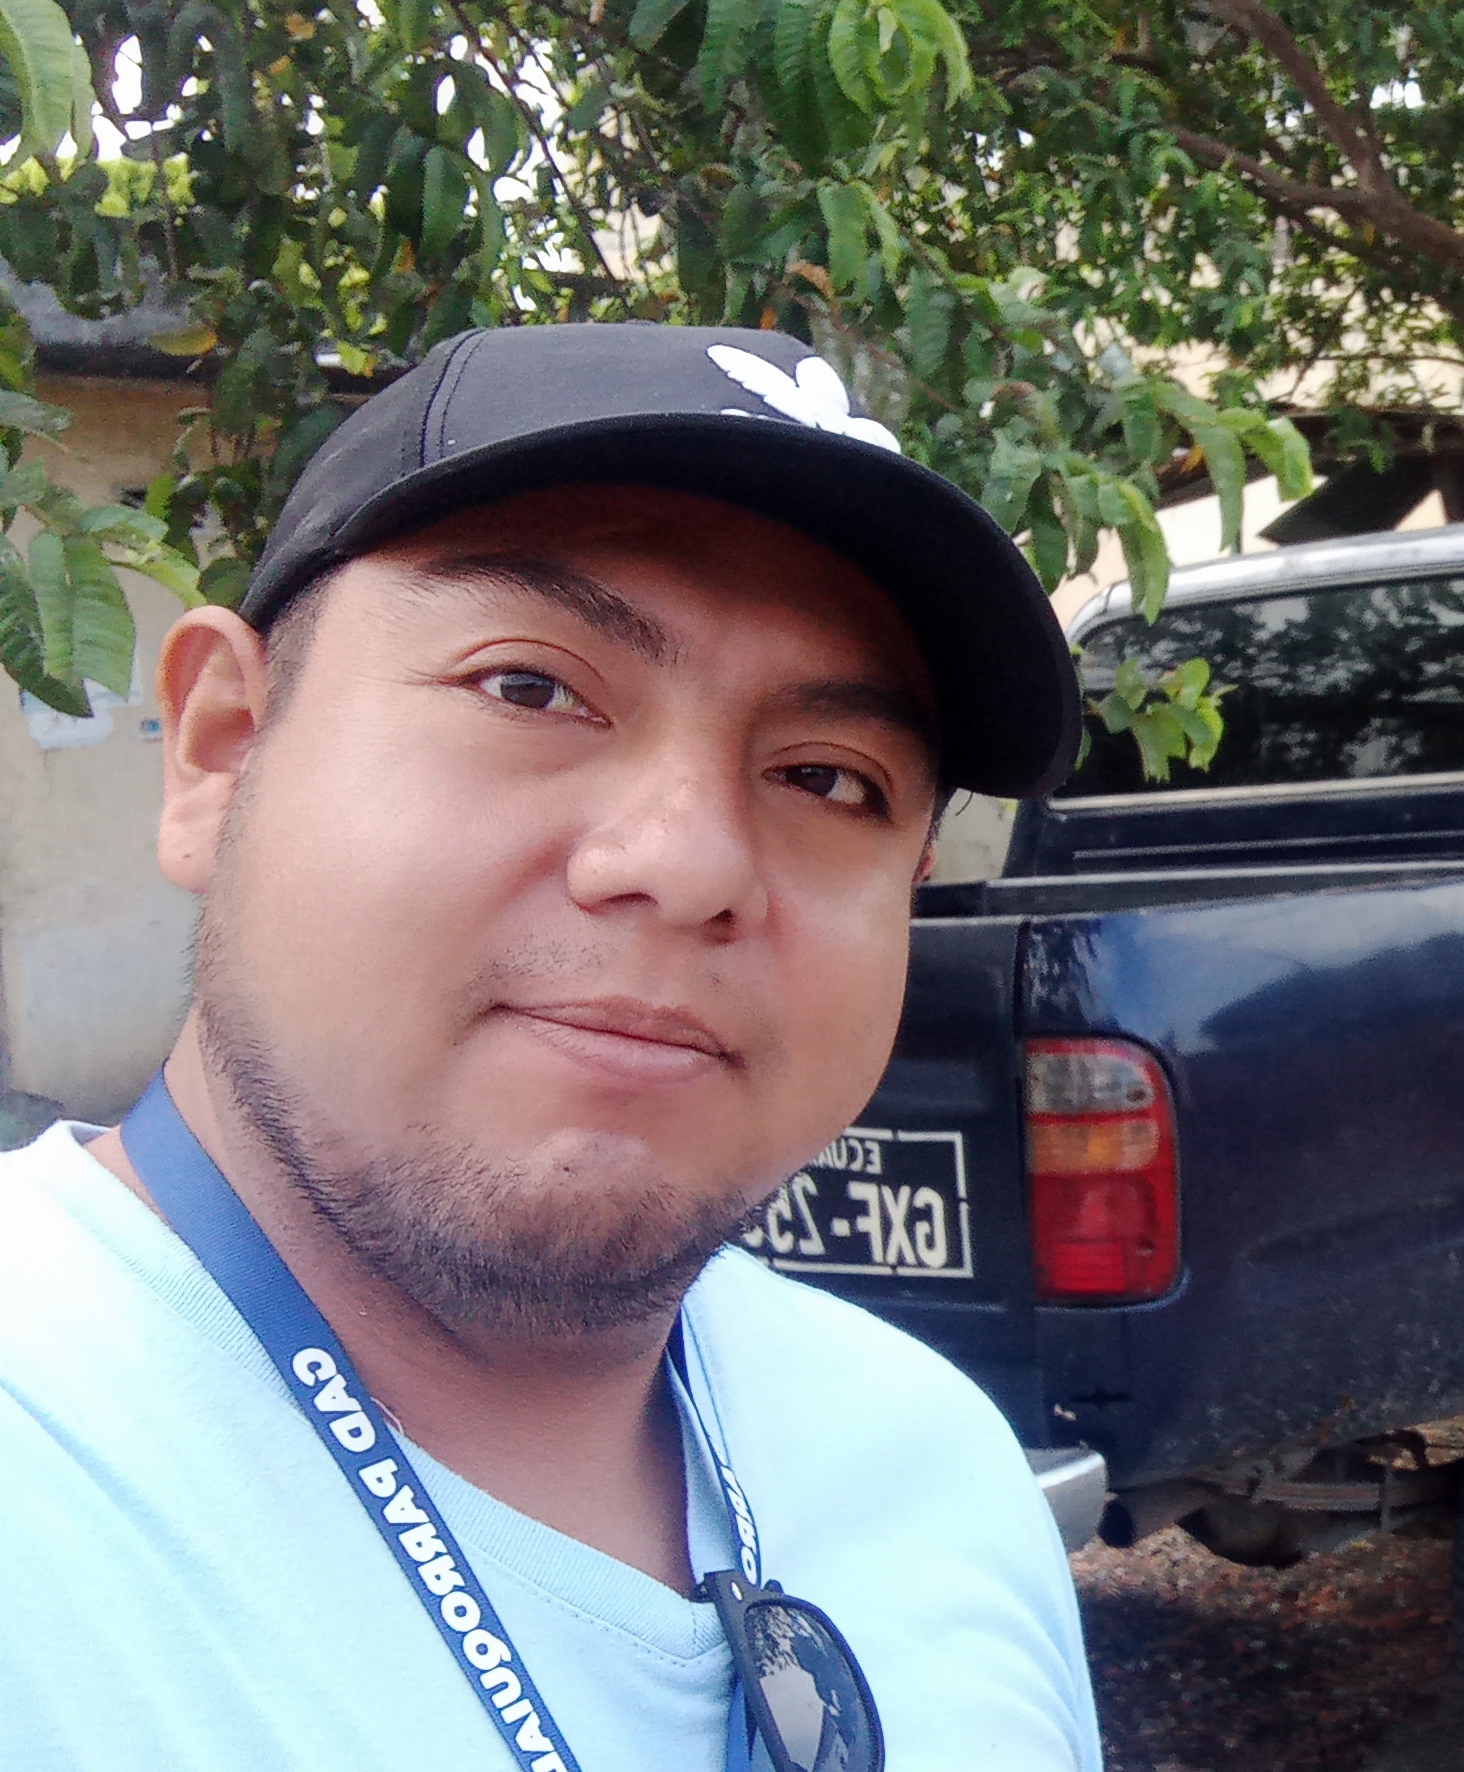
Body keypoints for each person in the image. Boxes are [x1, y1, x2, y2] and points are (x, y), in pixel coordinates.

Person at [1, 324, 1103, 1770]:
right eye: (529, 688)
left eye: (829, 778)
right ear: (222, 748)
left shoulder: (935, 1466)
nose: (690, 862)